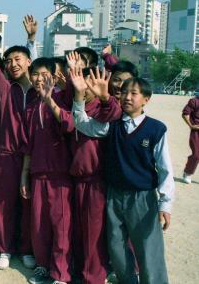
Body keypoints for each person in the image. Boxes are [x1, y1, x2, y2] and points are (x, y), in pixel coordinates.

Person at [71, 70, 175, 284]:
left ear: (146, 99)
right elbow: (82, 124)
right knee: (116, 246)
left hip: (143, 198)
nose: (127, 97)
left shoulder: (156, 129)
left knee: (147, 248)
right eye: (124, 92)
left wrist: (165, 205)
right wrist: (79, 96)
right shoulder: (113, 126)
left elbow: (165, 169)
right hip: (114, 195)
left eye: (134, 93)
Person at [0, 0, 35, 269]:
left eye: (18, 60)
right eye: (9, 60)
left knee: (28, 206)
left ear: (29, 62)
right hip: (7, 156)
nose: (12, 64)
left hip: (36, 158)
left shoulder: (41, 93)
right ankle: (3, 248)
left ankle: (26, 247)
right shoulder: (6, 89)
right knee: (3, 204)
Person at [19, 57, 74, 284]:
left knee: (61, 225)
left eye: (44, 74)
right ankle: (43, 266)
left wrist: (50, 101)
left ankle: (60, 273)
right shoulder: (30, 108)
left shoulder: (64, 99)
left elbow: (69, 126)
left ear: (54, 75)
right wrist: (24, 174)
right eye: (35, 74)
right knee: (39, 224)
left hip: (60, 174)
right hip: (37, 173)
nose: (39, 79)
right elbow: (28, 144)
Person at [67, 66, 121, 284]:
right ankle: (81, 273)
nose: (84, 85)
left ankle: (94, 278)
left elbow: (112, 115)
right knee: (79, 232)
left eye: (88, 81)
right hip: (76, 180)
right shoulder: (75, 105)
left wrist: (104, 96)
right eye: (80, 81)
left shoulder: (104, 108)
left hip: (96, 182)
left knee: (93, 235)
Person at [182, 95, 199, 183]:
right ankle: (187, 173)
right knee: (196, 155)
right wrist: (191, 125)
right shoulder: (194, 101)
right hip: (196, 131)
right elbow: (185, 114)